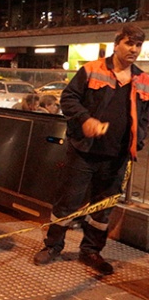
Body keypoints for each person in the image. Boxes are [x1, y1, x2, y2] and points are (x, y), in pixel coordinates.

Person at [33, 25, 149, 275]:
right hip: (83, 152)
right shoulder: (92, 69)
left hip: (117, 158)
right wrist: (85, 119)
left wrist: (138, 139)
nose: (134, 49)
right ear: (116, 43)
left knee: (102, 209)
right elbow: (68, 98)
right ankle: (53, 246)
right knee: (67, 203)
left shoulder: (143, 79)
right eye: (129, 43)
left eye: (138, 45)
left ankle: (91, 251)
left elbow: (145, 115)